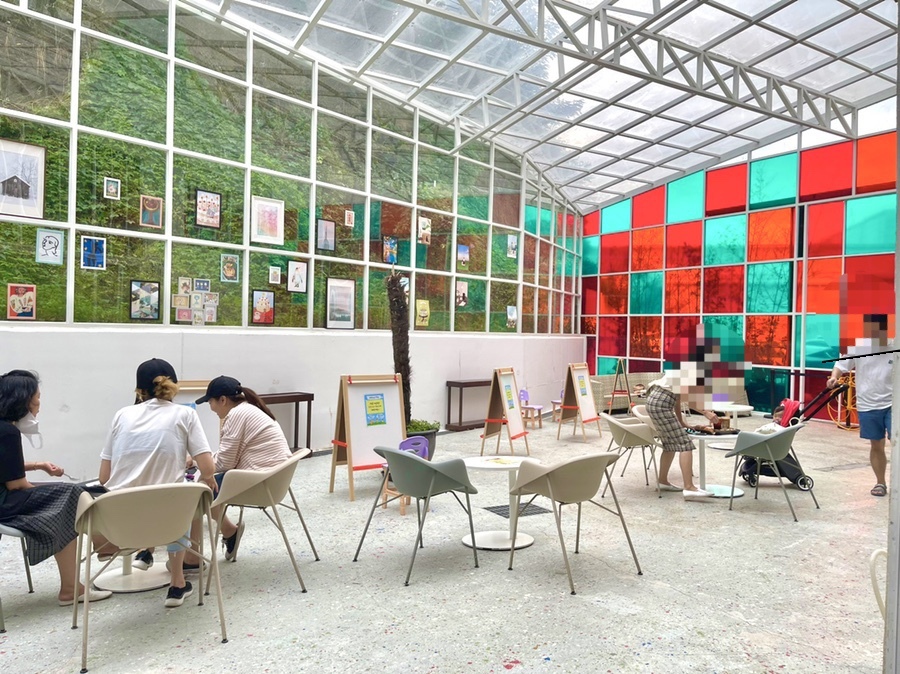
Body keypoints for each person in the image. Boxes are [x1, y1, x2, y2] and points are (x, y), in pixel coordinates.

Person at [98, 358, 217, 607]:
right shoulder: (185, 414)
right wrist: (206, 477)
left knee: (155, 493)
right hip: (168, 520)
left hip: (120, 524)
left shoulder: (121, 415)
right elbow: (208, 468)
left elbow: (104, 478)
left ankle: (146, 551)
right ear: (174, 386)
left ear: (139, 390)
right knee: (183, 495)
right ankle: (177, 583)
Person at [0, 370, 112, 606]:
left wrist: (38, 466)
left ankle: (93, 558)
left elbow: (6, 466)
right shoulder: (8, 432)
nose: (39, 405)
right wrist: (46, 489)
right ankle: (103, 548)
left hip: (5, 497)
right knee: (71, 497)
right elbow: (17, 485)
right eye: (37, 398)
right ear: (23, 400)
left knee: (67, 495)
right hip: (5, 503)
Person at [193, 375, 291, 562]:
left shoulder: (236, 415)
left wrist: (198, 462)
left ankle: (191, 558)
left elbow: (224, 463)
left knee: (197, 491)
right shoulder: (249, 409)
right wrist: (204, 460)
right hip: (275, 480)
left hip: (259, 483)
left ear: (223, 400)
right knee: (207, 482)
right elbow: (228, 457)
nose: (211, 408)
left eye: (210, 402)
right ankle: (229, 531)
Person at [828, 314, 894, 497]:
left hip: (893, 403)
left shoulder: (895, 345)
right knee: (876, 444)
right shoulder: (857, 346)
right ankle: (880, 483)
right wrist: (834, 377)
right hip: (868, 403)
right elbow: (841, 364)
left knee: (897, 442)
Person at [645, 371, 711, 500]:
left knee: (669, 444)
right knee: (685, 444)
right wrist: (706, 412)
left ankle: (662, 481)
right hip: (661, 404)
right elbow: (688, 399)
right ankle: (689, 487)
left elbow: (678, 398)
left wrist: (680, 421)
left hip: (655, 401)